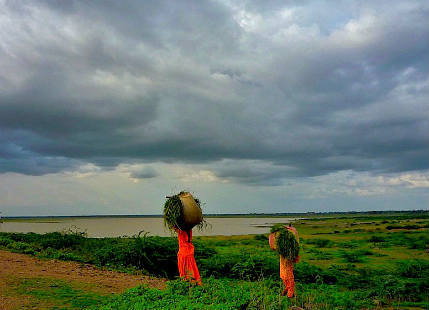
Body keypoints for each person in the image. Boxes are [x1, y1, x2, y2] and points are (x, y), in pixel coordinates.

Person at [269, 224, 300, 298]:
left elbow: (273, 246)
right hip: (285, 256)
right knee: (284, 274)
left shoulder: (291, 235)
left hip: (288, 257)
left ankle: (290, 294)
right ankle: (287, 291)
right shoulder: (292, 233)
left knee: (287, 274)